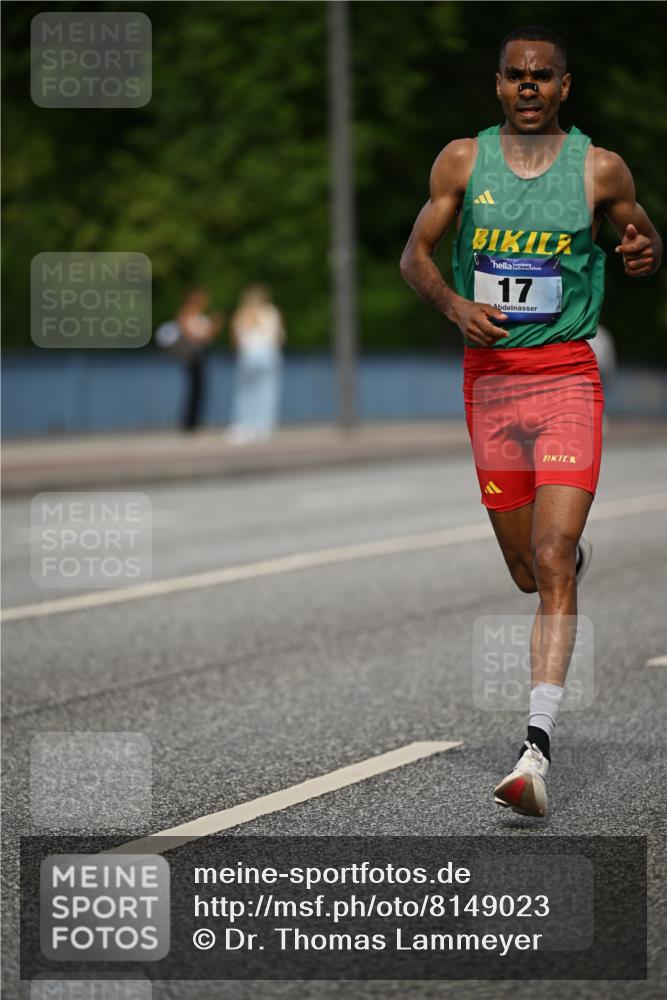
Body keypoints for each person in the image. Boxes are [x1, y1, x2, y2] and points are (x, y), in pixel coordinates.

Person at [400, 25, 662, 817]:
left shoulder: (599, 168)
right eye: (514, 75)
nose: (526, 87)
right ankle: (562, 562)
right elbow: (415, 255)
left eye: (540, 77)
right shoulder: (459, 161)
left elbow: (641, 236)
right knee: (527, 570)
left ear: (562, 87)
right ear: (496, 85)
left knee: (549, 556)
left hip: (566, 381)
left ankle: (533, 749)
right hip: (490, 388)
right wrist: (452, 305)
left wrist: (643, 252)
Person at [155, 287, 223, 431]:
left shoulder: (200, 316)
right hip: (192, 355)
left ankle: (195, 421)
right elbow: (192, 336)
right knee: (194, 389)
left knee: (200, 389)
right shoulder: (185, 315)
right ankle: (189, 423)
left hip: (201, 354)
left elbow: (208, 338)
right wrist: (207, 332)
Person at [226, 285, 285, 444]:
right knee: (267, 392)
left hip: (248, 354)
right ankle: (264, 427)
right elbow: (279, 336)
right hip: (268, 354)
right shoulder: (271, 312)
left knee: (245, 392)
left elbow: (236, 339)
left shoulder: (242, 313)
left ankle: (244, 425)